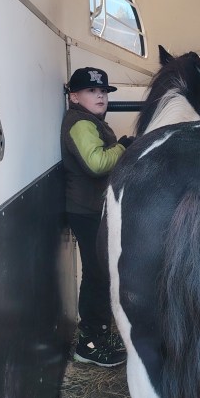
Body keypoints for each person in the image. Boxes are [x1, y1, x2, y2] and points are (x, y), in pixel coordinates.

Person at [61, 67, 133, 367]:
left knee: (101, 273)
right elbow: (96, 163)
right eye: (91, 91)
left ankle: (100, 335)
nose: (100, 95)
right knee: (97, 275)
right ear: (74, 96)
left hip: (94, 210)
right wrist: (123, 147)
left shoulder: (91, 122)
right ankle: (89, 344)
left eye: (103, 91)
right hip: (87, 211)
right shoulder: (80, 123)